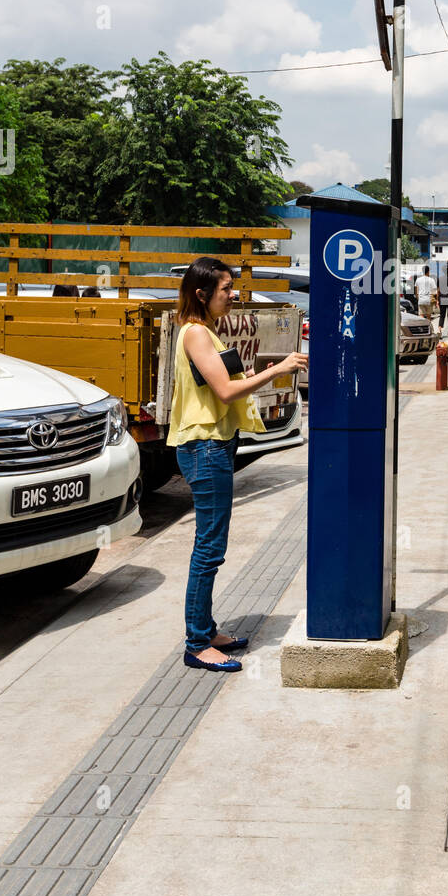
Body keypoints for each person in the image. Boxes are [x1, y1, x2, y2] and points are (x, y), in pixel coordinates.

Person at [167, 257, 307, 672]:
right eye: (226, 289)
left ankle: (207, 629)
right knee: (208, 550)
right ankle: (196, 643)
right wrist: (278, 370)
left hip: (217, 444)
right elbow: (226, 391)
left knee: (213, 546)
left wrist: (261, 372)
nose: (233, 296)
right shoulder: (195, 333)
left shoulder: (205, 331)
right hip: (204, 447)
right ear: (202, 293)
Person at [438, 265, 448, 335]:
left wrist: (437, 300)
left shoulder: (440, 279)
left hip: (442, 299)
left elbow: (438, 290)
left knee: (442, 315)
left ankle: (439, 330)